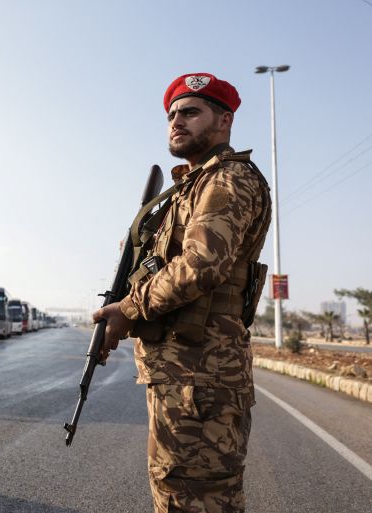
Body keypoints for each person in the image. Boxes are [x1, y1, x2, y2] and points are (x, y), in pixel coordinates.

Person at [93, 73, 272, 512]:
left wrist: (130, 308)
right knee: (176, 492)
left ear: (225, 121)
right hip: (185, 376)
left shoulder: (228, 179)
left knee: (196, 498)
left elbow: (201, 265)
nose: (177, 121)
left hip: (203, 377)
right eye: (172, 114)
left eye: (191, 112)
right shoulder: (188, 189)